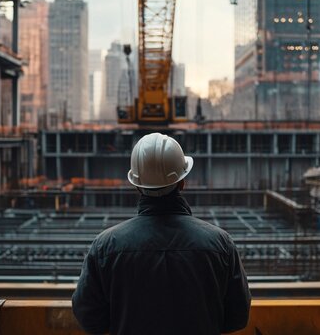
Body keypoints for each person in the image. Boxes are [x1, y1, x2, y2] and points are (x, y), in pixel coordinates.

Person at [72, 132, 251, 335]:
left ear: (137, 186)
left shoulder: (105, 247)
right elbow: (238, 317)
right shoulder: (220, 244)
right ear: (182, 183)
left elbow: (89, 319)